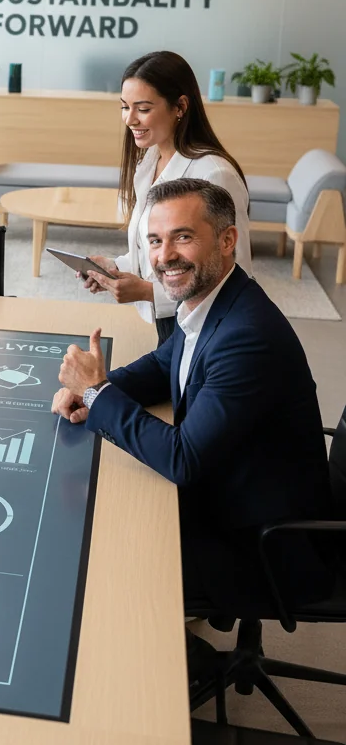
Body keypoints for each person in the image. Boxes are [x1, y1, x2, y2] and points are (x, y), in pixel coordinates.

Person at [53, 178, 333, 616]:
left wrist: (98, 390)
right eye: (155, 241)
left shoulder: (247, 335)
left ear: (227, 240)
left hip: (258, 541)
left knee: (97, 555)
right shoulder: (215, 298)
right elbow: (167, 362)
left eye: (183, 237)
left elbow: (183, 461)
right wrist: (95, 389)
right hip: (236, 495)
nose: (164, 257)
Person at [84, 51, 252, 345]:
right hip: (164, 323)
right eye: (125, 107)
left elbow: (238, 277)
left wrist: (148, 292)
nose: (130, 119)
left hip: (202, 329)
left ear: (180, 107)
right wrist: (114, 268)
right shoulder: (148, 162)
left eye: (143, 108)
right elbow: (156, 253)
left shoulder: (214, 174)